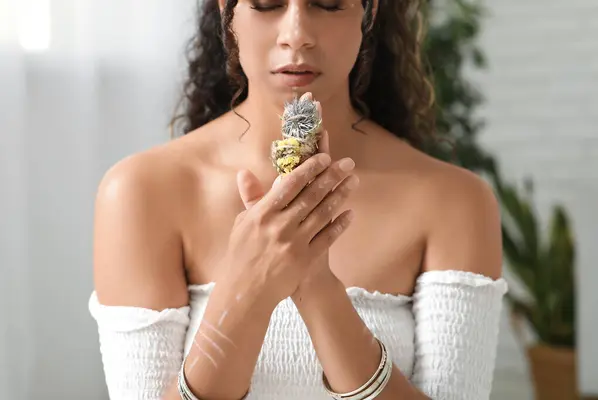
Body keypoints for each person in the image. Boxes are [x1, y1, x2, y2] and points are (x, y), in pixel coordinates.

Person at [89, 0, 507, 399]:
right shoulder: (140, 193)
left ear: (369, 9)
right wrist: (248, 288)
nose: (296, 35)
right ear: (227, 9)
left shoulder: (454, 202)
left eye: (326, 4)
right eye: (268, 3)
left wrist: (318, 289)